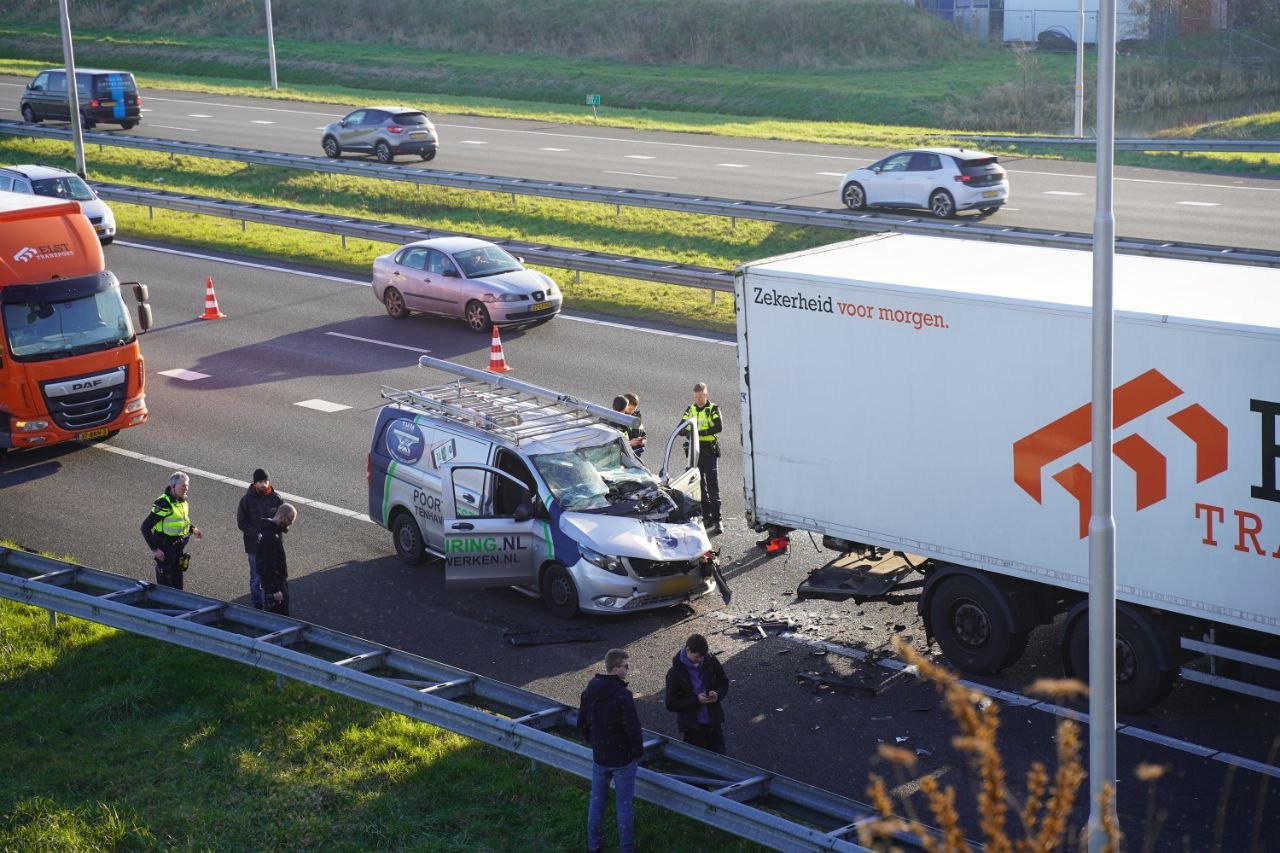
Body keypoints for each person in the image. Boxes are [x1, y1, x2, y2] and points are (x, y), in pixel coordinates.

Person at [579, 648, 644, 853]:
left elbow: (582, 722)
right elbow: (633, 729)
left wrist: (594, 741)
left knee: (596, 803)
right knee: (623, 807)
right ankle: (626, 849)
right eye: (626, 666)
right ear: (616, 669)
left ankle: (594, 846)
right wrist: (636, 753)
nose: (628, 669)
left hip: (600, 756)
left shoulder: (590, 690)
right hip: (623, 759)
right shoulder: (623, 695)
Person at [664, 633, 730, 754]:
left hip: (713, 723)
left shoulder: (709, 659)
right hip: (693, 727)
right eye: (697, 657)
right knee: (698, 763)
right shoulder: (675, 673)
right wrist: (696, 700)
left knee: (720, 760)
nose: (700, 660)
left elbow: (723, 682)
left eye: (702, 657)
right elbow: (671, 704)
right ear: (688, 650)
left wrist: (717, 694)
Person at [140, 471, 203, 589]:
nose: (186, 488)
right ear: (173, 486)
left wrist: (193, 529)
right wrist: (155, 550)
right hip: (166, 548)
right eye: (183, 485)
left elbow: (182, 521)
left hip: (178, 547)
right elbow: (145, 527)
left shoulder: (182, 500)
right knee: (166, 582)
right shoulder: (164, 503)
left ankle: (178, 603)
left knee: (178, 581)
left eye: (187, 485)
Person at [236, 467, 283, 609]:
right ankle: (257, 604)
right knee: (256, 578)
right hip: (254, 547)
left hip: (272, 547)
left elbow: (283, 520)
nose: (264, 484)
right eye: (261, 482)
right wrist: (258, 534)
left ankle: (270, 601)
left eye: (266, 481)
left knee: (271, 575)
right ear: (255, 483)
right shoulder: (246, 500)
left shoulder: (276, 499)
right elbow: (241, 522)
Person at [682, 381, 723, 535]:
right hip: (695, 451)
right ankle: (707, 517)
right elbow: (681, 427)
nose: (698, 400)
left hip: (709, 450)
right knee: (699, 486)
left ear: (706, 394)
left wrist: (698, 433)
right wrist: (688, 432)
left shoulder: (712, 408)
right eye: (696, 397)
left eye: (701, 397)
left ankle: (718, 520)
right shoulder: (690, 409)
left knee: (713, 486)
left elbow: (718, 427)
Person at [255, 504, 298, 616]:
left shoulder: (267, 528)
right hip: (275, 585)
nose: (290, 524)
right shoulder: (271, 536)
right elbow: (269, 565)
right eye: (290, 520)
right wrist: (275, 590)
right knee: (279, 617)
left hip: (272, 582)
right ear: (282, 517)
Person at [623, 392, 646, 458]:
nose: (632, 412)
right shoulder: (615, 418)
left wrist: (642, 440)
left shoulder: (636, 416)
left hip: (635, 455)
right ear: (624, 406)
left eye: (634, 409)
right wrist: (630, 443)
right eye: (630, 409)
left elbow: (642, 433)